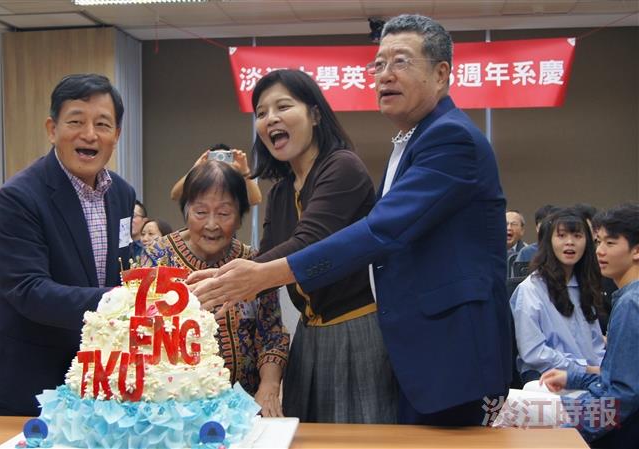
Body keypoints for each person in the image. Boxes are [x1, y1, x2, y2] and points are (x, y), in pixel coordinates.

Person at [190, 14, 511, 426]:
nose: (384, 75)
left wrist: (257, 277)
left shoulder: (451, 139)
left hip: (451, 348)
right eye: (378, 64)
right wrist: (226, 280)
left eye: (400, 62)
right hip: (403, 343)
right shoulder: (413, 139)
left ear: (441, 73)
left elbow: (381, 231)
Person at [0, 74, 135, 416]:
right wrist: (118, 301)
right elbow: (29, 290)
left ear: (116, 135)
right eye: (76, 121)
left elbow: (122, 269)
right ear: (52, 129)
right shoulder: (17, 198)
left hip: (97, 383)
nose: (89, 134)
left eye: (103, 124)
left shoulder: (122, 195)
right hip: (27, 384)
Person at [141, 161, 289, 417]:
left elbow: (271, 334)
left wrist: (269, 385)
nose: (212, 224)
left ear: (241, 216)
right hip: (172, 412)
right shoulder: (158, 258)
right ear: (186, 211)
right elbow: (140, 333)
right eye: (200, 213)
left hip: (243, 408)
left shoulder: (253, 262)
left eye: (223, 214)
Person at [541, 203, 639, 447]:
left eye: (610, 243)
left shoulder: (630, 304)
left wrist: (566, 436)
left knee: (518, 414)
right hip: (611, 412)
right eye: (598, 242)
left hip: (619, 431)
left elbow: (622, 396)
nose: (599, 251)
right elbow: (617, 377)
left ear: (636, 251)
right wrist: (573, 377)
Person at [510, 209, 605, 384]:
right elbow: (533, 353)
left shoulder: (585, 285)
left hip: (589, 378)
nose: (570, 242)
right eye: (561, 236)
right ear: (549, 242)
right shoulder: (531, 289)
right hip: (547, 379)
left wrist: (603, 369)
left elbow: (596, 345)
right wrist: (586, 369)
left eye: (577, 236)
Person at [170, 144, 262, 206]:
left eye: (224, 157)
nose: (220, 160)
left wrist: (244, 170)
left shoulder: (234, 182)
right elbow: (175, 195)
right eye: (216, 156)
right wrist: (195, 168)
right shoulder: (200, 181)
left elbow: (255, 200)